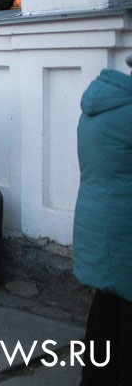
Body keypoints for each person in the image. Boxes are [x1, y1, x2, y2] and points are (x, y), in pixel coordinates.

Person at [73, 53, 132, 385]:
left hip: (98, 221)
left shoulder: (99, 106)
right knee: (122, 315)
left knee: (108, 306)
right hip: (123, 228)